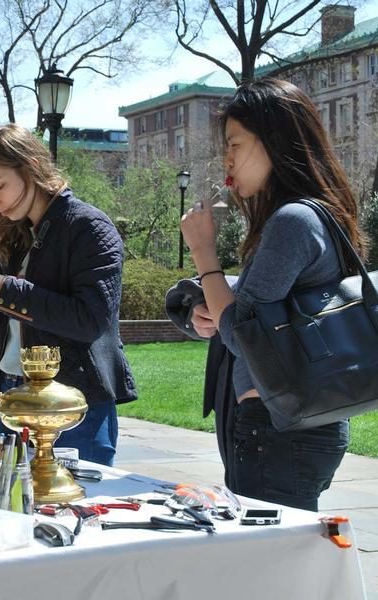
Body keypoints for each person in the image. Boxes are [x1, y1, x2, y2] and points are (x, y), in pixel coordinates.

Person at [180, 78, 363, 511]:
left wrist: (204, 250)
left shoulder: (293, 219)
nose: (226, 158)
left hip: (278, 430)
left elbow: (242, 333)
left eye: (235, 144)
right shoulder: (316, 212)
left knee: (268, 568)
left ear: (275, 142)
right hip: (298, 426)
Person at [0, 123, 137, 465]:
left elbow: (90, 320)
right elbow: (22, 332)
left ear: (32, 169)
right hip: (12, 398)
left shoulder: (89, 228)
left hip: (70, 408)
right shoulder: (17, 235)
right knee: (11, 514)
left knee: (71, 515)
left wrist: (7, 290)